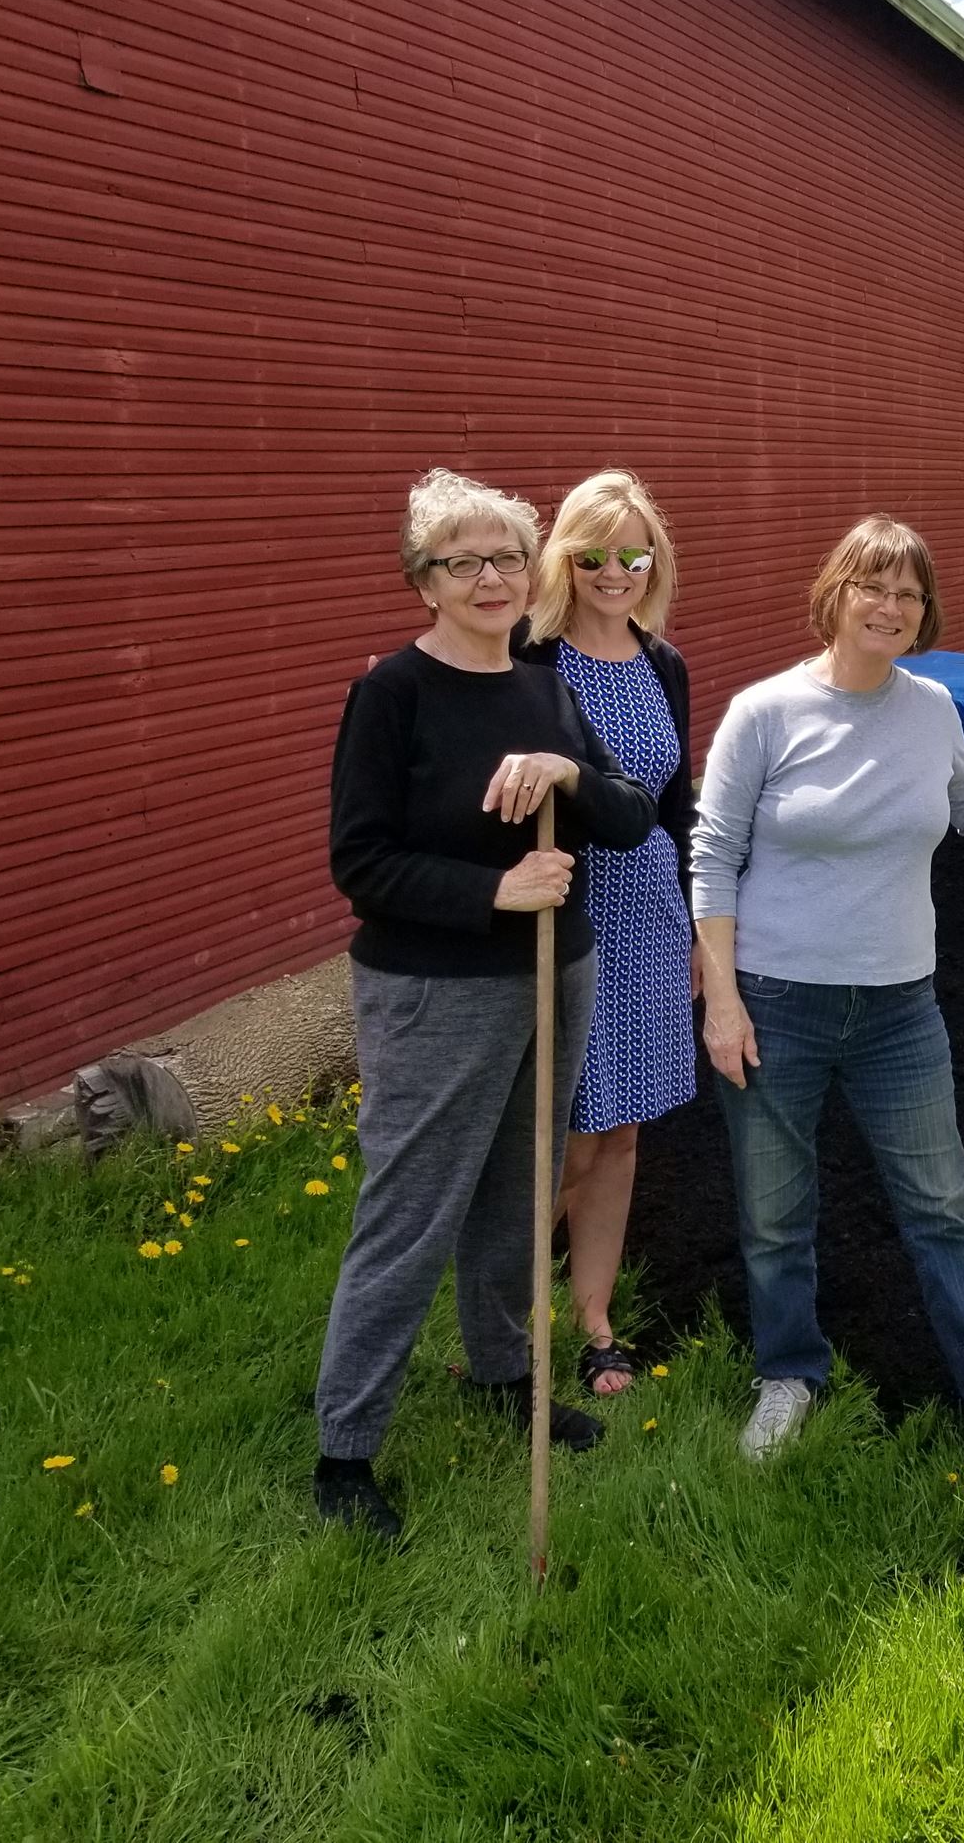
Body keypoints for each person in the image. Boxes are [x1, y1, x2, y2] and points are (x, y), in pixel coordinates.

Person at [690, 516, 964, 1480]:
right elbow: (714, 859)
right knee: (775, 1214)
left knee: (944, 1209)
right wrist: (721, 1000)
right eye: (874, 586)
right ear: (836, 594)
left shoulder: (931, 707)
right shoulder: (764, 713)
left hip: (900, 1009)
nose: (891, 606)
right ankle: (789, 1377)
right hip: (777, 1003)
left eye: (908, 594)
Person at [317, 468, 658, 1538]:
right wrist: (491, 889)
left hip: (557, 973)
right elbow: (358, 860)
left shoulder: (545, 688)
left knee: (522, 1190)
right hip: (434, 989)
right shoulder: (392, 696)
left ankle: (507, 1375)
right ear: (425, 579)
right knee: (411, 1210)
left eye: (508, 557)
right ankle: (345, 1448)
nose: (491, 578)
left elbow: (629, 817)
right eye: (464, 562)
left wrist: (565, 769)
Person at [516, 470, 698, 1398]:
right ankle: (509, 1312)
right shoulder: (531, 658)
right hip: (570, 921)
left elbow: (678, 809)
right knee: (566, 1136)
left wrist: (701, 937)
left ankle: (592, 1318)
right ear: (565, 557)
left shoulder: (663, 662)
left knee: (621, 1135)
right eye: (594, 553)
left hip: (652, 919)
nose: (615, 570)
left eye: (634, 552)